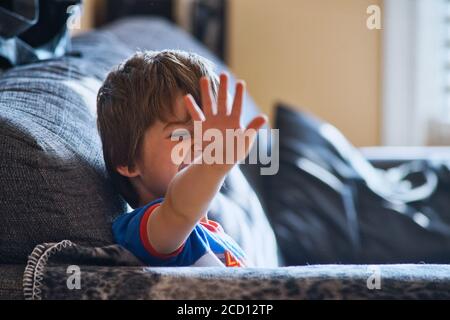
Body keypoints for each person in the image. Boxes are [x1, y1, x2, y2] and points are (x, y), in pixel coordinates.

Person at [96, 50, 267, 267]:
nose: (203, 145)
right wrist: (213, 165)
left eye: (209, 132)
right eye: (182, 135)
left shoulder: (216, 235)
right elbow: (179, 210)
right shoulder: (143, 229)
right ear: (127, 160)